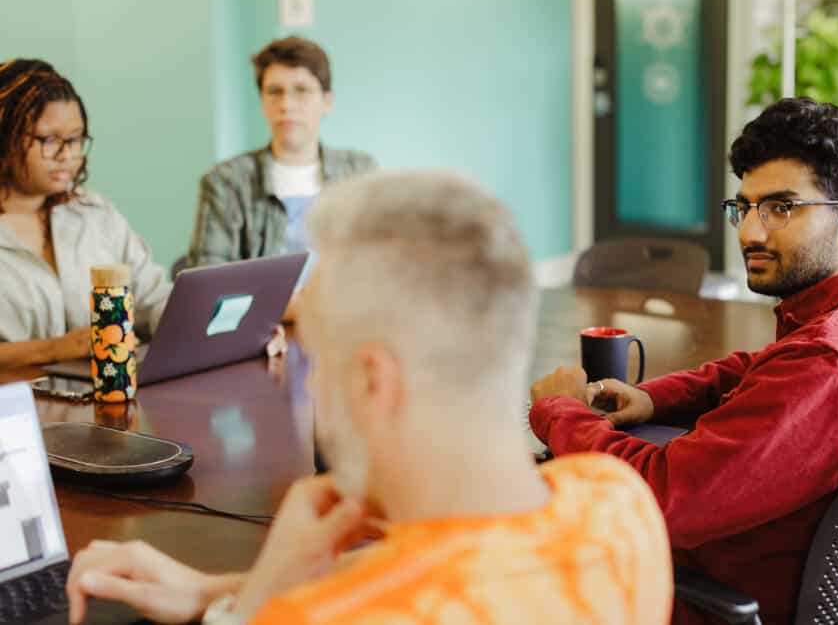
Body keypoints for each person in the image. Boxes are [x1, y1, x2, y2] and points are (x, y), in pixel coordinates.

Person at [67, 172, 674, 625]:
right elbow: (455, 557)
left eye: (317, 362)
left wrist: (251, 606)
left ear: (371, 381)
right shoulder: (620, 500)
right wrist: (212, 592)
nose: (312, 389)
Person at [529, 98, 838, 624]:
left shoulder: (827, 362)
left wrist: (558, 410)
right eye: (745, 206)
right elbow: (765, 365)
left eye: (782, 207)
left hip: (701, 593)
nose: (749, 233)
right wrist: (656, 396)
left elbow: (659, 496)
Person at [0, 59, 170, 367]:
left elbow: (150, 297)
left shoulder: (95, 214)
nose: (68, 155)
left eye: (76, 139)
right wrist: (56, 349)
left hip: (99, 404)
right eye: (49, 140)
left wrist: (214, 325)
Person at [187, 36, 376, 270]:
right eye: (275, 92)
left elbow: (379, 263)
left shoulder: (361, 174)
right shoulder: (226, 181)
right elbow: (207, 276)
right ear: (262, 101)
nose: (286, 104)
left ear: (327, 101)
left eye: (301, 90)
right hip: (264, 308)